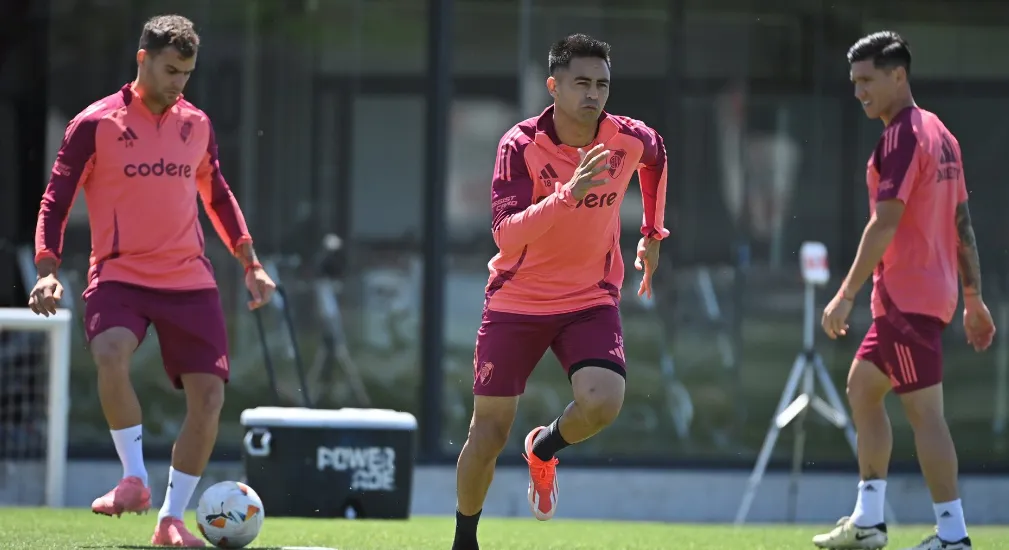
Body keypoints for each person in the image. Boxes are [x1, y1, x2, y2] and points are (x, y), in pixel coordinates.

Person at [29, 15, 275, 548]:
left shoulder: (198, 123)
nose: (178, 83)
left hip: (189, 279)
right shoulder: (94, 124)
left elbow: (218, 194)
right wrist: (47, 270)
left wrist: (250, 262)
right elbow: (57, 197)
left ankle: (170, 518)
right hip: (119, 274)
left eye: (186, 73)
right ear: (142, 59)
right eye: (169, 70)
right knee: (111, 352)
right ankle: (133, 478)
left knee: (209, 400)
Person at [451, 34, 669, 550]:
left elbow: (656, 161)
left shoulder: (628, 137)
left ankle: (545, 448)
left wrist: (652, 235)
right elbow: (505, 232)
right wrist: (568, 196)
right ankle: (464, 540)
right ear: (553, 86)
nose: (593, 94)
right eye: (581, 83)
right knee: (488, 434)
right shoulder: (520, 145)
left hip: (589, 298)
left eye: (602, 84)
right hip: (516, 302)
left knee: (604, 402)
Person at [814, 31, 993, 550]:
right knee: (862, 388)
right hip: (925, 299)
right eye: (854, 82)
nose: (859, 91)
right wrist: (974, 298)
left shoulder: (900, 136)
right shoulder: (942, 134)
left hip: (906, 301)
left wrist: (845, 293)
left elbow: (883, 224)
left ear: (899, 76)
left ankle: (953, 536)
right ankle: (869, 520)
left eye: (867, 80)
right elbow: (963, 223)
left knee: (925, 415)